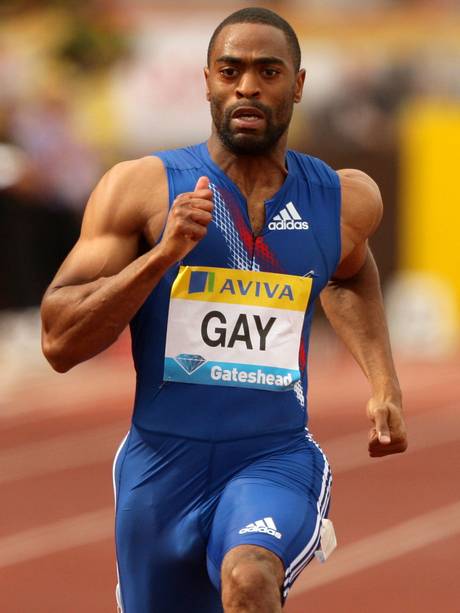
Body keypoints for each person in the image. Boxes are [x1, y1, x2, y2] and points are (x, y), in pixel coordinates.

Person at [41, 7, 408, 613]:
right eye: (231, 71)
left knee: (250, 580)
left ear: (298, 84)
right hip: (161, 468)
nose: (248, 87)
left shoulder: (343, 199)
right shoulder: (142, 189)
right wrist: (161, 257)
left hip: (275, 456)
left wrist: (384, 382)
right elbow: (59, 340)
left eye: (269, 71)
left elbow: (351, 274)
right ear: (207, 81)